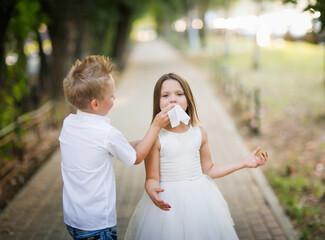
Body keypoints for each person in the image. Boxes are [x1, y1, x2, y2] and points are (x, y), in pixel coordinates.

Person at [124, 73, 268, 240]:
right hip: (168, 205)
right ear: (158, 103)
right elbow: (151, 178)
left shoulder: (199, 132)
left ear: (188, 100)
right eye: (165, 96)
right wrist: (151, 190)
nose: (173, 100)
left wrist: (242, 163)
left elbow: (209, 169)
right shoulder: (155, 137)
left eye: (179, 94)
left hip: (201, 201)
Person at [59, 56, 174, 240]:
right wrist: (155, 126)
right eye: (112, 96)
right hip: (97, 224)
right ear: (96, 104)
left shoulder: (69, 124)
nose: (115, 98)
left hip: (74, 220)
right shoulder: (107, 133)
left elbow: (104, 149)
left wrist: (145, 141)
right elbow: (135, 158)